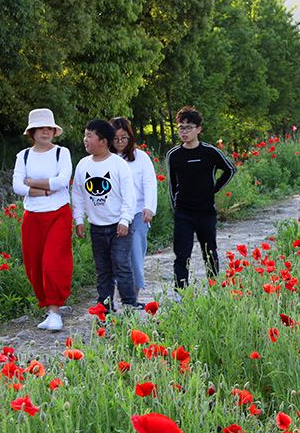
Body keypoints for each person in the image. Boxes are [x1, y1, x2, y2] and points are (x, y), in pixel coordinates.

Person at [12, 108, 74, 332]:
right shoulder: (24, 156)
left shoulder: (62, 153)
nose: (46, 132)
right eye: (41, 128)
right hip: (33, 216)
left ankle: (56, 311)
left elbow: (62, 181)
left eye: (49, 128)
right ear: (33, 132)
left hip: (58, 212)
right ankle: (49, 309)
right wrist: (44, 190)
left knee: (53, 262)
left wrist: (32, 183)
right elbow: (18, 186)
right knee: (34, 264)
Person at [165, 106, 236, 289]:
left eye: (189, 127)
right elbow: (172, 185)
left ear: (198, 129)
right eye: (181, 127)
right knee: (182, 255)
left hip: (206, 212)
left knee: (210, 252)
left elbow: (230, 170)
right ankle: (181, 292)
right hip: (183, 213)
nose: (184, 131)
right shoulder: (174, 155)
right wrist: (176, 207)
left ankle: (214, 289)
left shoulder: (209, 152)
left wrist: (214, 188)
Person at [71, 119, 138, 312]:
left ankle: (129, 305)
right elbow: (77, 193)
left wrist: (125, 220)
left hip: (119, 226)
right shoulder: (83, 165)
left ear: (103, 141)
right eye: (85, 135)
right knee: (102, 269)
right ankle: (105, 307)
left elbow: (129, 195)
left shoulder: (118, 164)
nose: (85, 140)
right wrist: (79, 219)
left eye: (89, 136)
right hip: (97, 227)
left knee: (121, 264)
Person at [111, 117, 158, 296]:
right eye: (116, 138)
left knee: (135, 252)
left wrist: (149, 207)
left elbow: (149, 184)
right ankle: (113, 294)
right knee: (115, 256)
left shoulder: (141, 157)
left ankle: (134, 294)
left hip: (138, 211)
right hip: (114, 213)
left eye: (124, 138)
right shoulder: (106, 159)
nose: (120, 142)